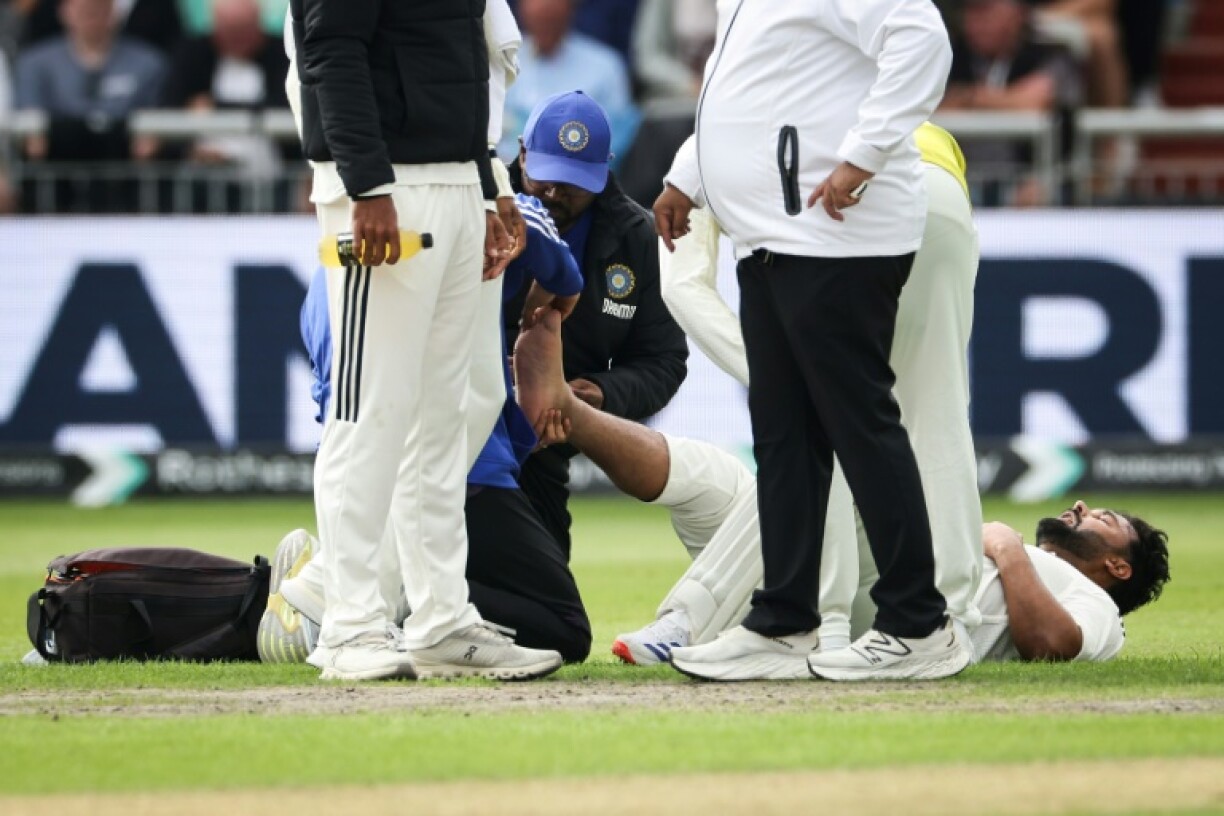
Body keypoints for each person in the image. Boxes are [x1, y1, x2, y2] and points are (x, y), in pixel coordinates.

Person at [513, 309, 1172, 673]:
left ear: (1118, 566)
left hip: (884, 614)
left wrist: (1008, 549)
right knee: (716, 474)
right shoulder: (1039, 564)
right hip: (848, 571)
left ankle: (685, 619)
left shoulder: (1098, 609)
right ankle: (571, 412)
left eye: (1106, 519)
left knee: (834, 468)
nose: (1084, 507)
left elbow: (1055, 646)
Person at [652, 0, 962, 681]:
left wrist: (863, 155)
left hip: (838, 232)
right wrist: (689, 174)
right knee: (785, 436)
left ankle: (919, 623)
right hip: (772, 236)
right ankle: (784, 623)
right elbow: (747, 86)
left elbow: (922, 39)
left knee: (859, 425)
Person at [286, 0, 557, 682]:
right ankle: (348, 625)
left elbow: (470, 66)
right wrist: (366, 185)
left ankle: (440, 618)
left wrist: (492, 185)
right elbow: (331, 50)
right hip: (384, 189)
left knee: (446, 416)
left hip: (457, 182)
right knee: (369, 410)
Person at [258, 191, 593, 668]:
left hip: (429, 476)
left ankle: (357, 593)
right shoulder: (469, 212)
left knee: (383, 433)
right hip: (468, 476)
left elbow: (340, 415)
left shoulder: (330, 287)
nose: (555, 192)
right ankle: (344, 593)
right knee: (565, 630)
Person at [505, 89, 688, 557]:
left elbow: (663, 360)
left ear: (603, 172)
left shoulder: (636, 239)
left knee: (553, 621)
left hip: (549, 444)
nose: (553, 193)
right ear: (522, 154)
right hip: (466, 430)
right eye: (544, 177)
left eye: (572, 184)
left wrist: (596, 395)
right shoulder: (482, 212)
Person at [14, 0, 165, 210]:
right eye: (84, 9)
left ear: (115, 13)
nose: (92, 16)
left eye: (100, 9)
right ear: (64, 11)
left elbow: (153, 123)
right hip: (55, 177)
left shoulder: (147, 62)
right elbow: (31, 127)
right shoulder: (35, 63)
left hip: (122, 172)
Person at [940, 0, 1082, 205]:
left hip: (1034, 177)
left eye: (984, 11)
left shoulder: (1050, 53)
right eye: (969, 12)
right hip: (962, 179)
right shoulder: (949, 55)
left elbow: (1034, 101)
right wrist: (1006, 100)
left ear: (1018, 13)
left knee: (1041, 194)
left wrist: (969, 98)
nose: (975, 21)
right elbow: (932, 107)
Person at [498, 0, 638, 166]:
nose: (545, 28)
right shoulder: (502, 60)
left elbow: (618, 139)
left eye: (551, 21)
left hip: (579, 180)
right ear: (521, 12)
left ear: (571, 10)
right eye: (539, 21)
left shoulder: (606, 67)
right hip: (507, 179)